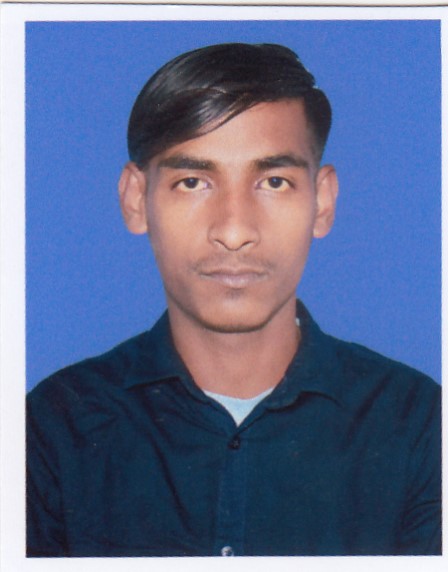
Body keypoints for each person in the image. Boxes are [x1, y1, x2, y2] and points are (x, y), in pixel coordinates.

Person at [26, 43, 441, 557]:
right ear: (136, 200)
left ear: (323, 201)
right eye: (193, 182)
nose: (234, 230)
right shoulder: (51, 428)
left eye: (274, 182)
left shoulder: (420, 426)